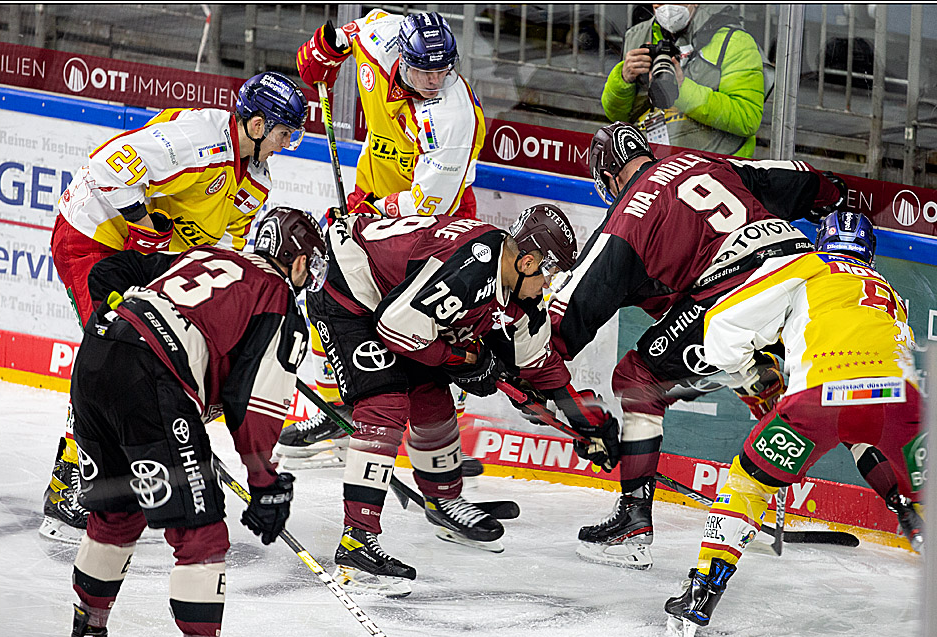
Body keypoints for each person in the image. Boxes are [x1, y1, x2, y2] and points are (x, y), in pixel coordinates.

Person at [665, 211, 937, 637]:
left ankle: (701, 594)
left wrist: (745, 370)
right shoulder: (888, 291)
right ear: (868, 251)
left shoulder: (806, 264)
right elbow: (866, 418)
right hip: (902, 402)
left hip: (822, 398)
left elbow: (722, 323)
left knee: (748, 484)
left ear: (823, 240)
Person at [549, 122, 848, 570]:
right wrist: (833, 195)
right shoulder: (702, 162)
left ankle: (633, 521)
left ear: (610, 177)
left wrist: (535, 369)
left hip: (739, 292)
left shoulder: (628, 215)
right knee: (863, 387)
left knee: (637, 378)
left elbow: (572, 312)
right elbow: (791, 177)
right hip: (807, 270)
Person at [40, 71, 309, 544]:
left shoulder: (257, 181)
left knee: (144, 349)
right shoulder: (198, 137)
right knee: (112, 346)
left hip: (143, 258)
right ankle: (69, 487)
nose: (287, 144)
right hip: (93, 236)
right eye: (284, 133)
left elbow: (222, 247)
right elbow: (107, 166)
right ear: (256, 124)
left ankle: (101, 471)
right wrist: (146, 224)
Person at [62, 206, 326, 637]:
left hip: (95, 360)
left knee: (117, 513)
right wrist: (265, 484)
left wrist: (114, 315)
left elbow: (108, 271)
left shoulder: (205, 254)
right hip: (149, 381)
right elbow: (255, 407)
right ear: (299, 260)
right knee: (201, 536)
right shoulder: (276, 298)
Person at [309, 205, 618, 597]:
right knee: (385, 401)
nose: (548, 284)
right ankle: (357, 538)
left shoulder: (514, 284)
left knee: (432, 398)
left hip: (395, 299)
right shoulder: (473, 268)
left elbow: (535, 362)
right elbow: (395, 328)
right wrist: (462, 359)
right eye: (547, 273)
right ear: (525, 261)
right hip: (347, 288)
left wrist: (579, 418)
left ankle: (443, 501)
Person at [285, 9, 488, 460]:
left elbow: (425, 203)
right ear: (402, 57)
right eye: (423, 71)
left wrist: (370, 213)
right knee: (331, 291)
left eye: (443, 70)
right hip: (372, 193)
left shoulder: (453, 116)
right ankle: (339, 405)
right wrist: (322, 55)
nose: (434, 81)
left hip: (433, 221)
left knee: (423, 320)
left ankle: (433, 438)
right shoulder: (381, 36)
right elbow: (337, 39)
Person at [601, 4, 768, 157]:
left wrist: (681, 89)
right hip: (653, 168)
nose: (665, 5)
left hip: (713, 170)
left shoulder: (735, 41)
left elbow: (747, 118)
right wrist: (623, 79)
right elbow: (617, 116)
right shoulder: (637, 36)